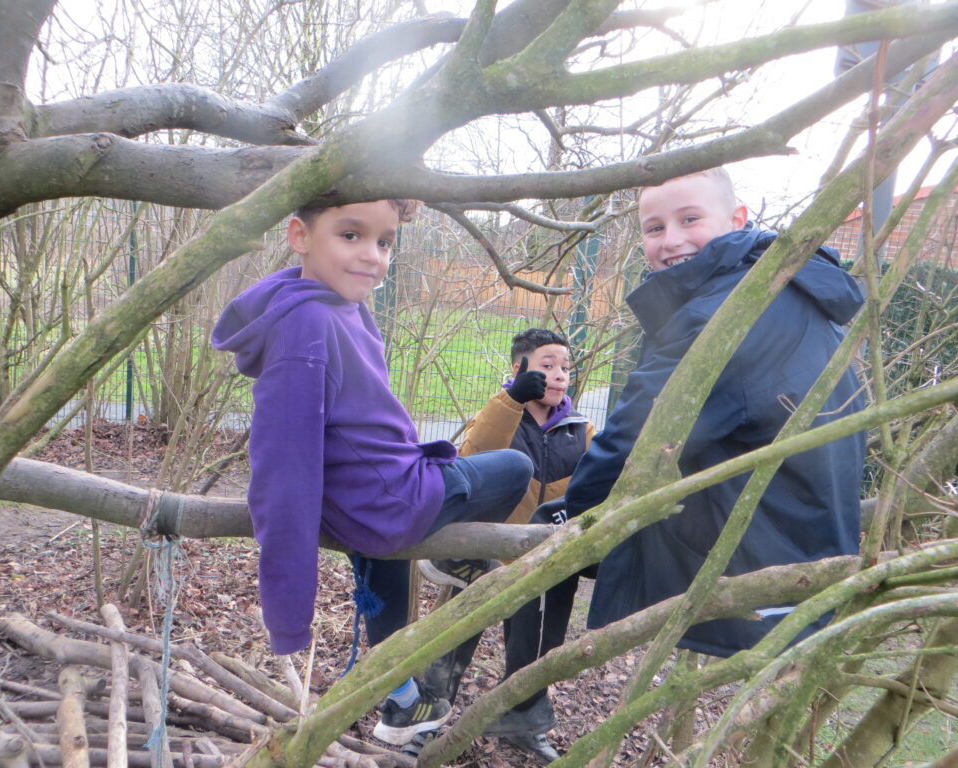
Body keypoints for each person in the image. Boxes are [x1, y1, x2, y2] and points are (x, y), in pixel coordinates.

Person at [511, 167, 867, 754]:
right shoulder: (786, 285)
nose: (669, 240)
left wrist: (581, 522)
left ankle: (520, 700)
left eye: (689, 219)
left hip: (760, 547)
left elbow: (633, 439)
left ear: (738, 219)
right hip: (813, 531)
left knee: (557, 527)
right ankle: (525, 705)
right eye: (654, 227)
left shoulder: (720, 314)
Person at [211, 198, 533, 747]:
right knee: (514, 466)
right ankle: (449, 556)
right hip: (390, 502)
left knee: (385, 562)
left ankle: (401, 700)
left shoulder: (336, 305)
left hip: (366, 504)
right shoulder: (309, 325)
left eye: (384, 242)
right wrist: (289, 615)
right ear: (299, 235)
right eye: (351, 235)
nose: (372, 256)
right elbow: (282, 474)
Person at [416, 328, 595, 763]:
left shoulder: (581, 430)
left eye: (565, 368)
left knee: (538, 646)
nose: (559, 376)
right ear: (520, 369)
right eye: (547, 366)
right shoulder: (499, 415)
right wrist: (512, 400)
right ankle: (424, 720)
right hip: (485, 556)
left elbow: (592, 491)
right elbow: (470, 459)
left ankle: (522, 721)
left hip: (547, 560)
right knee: (453, 639)